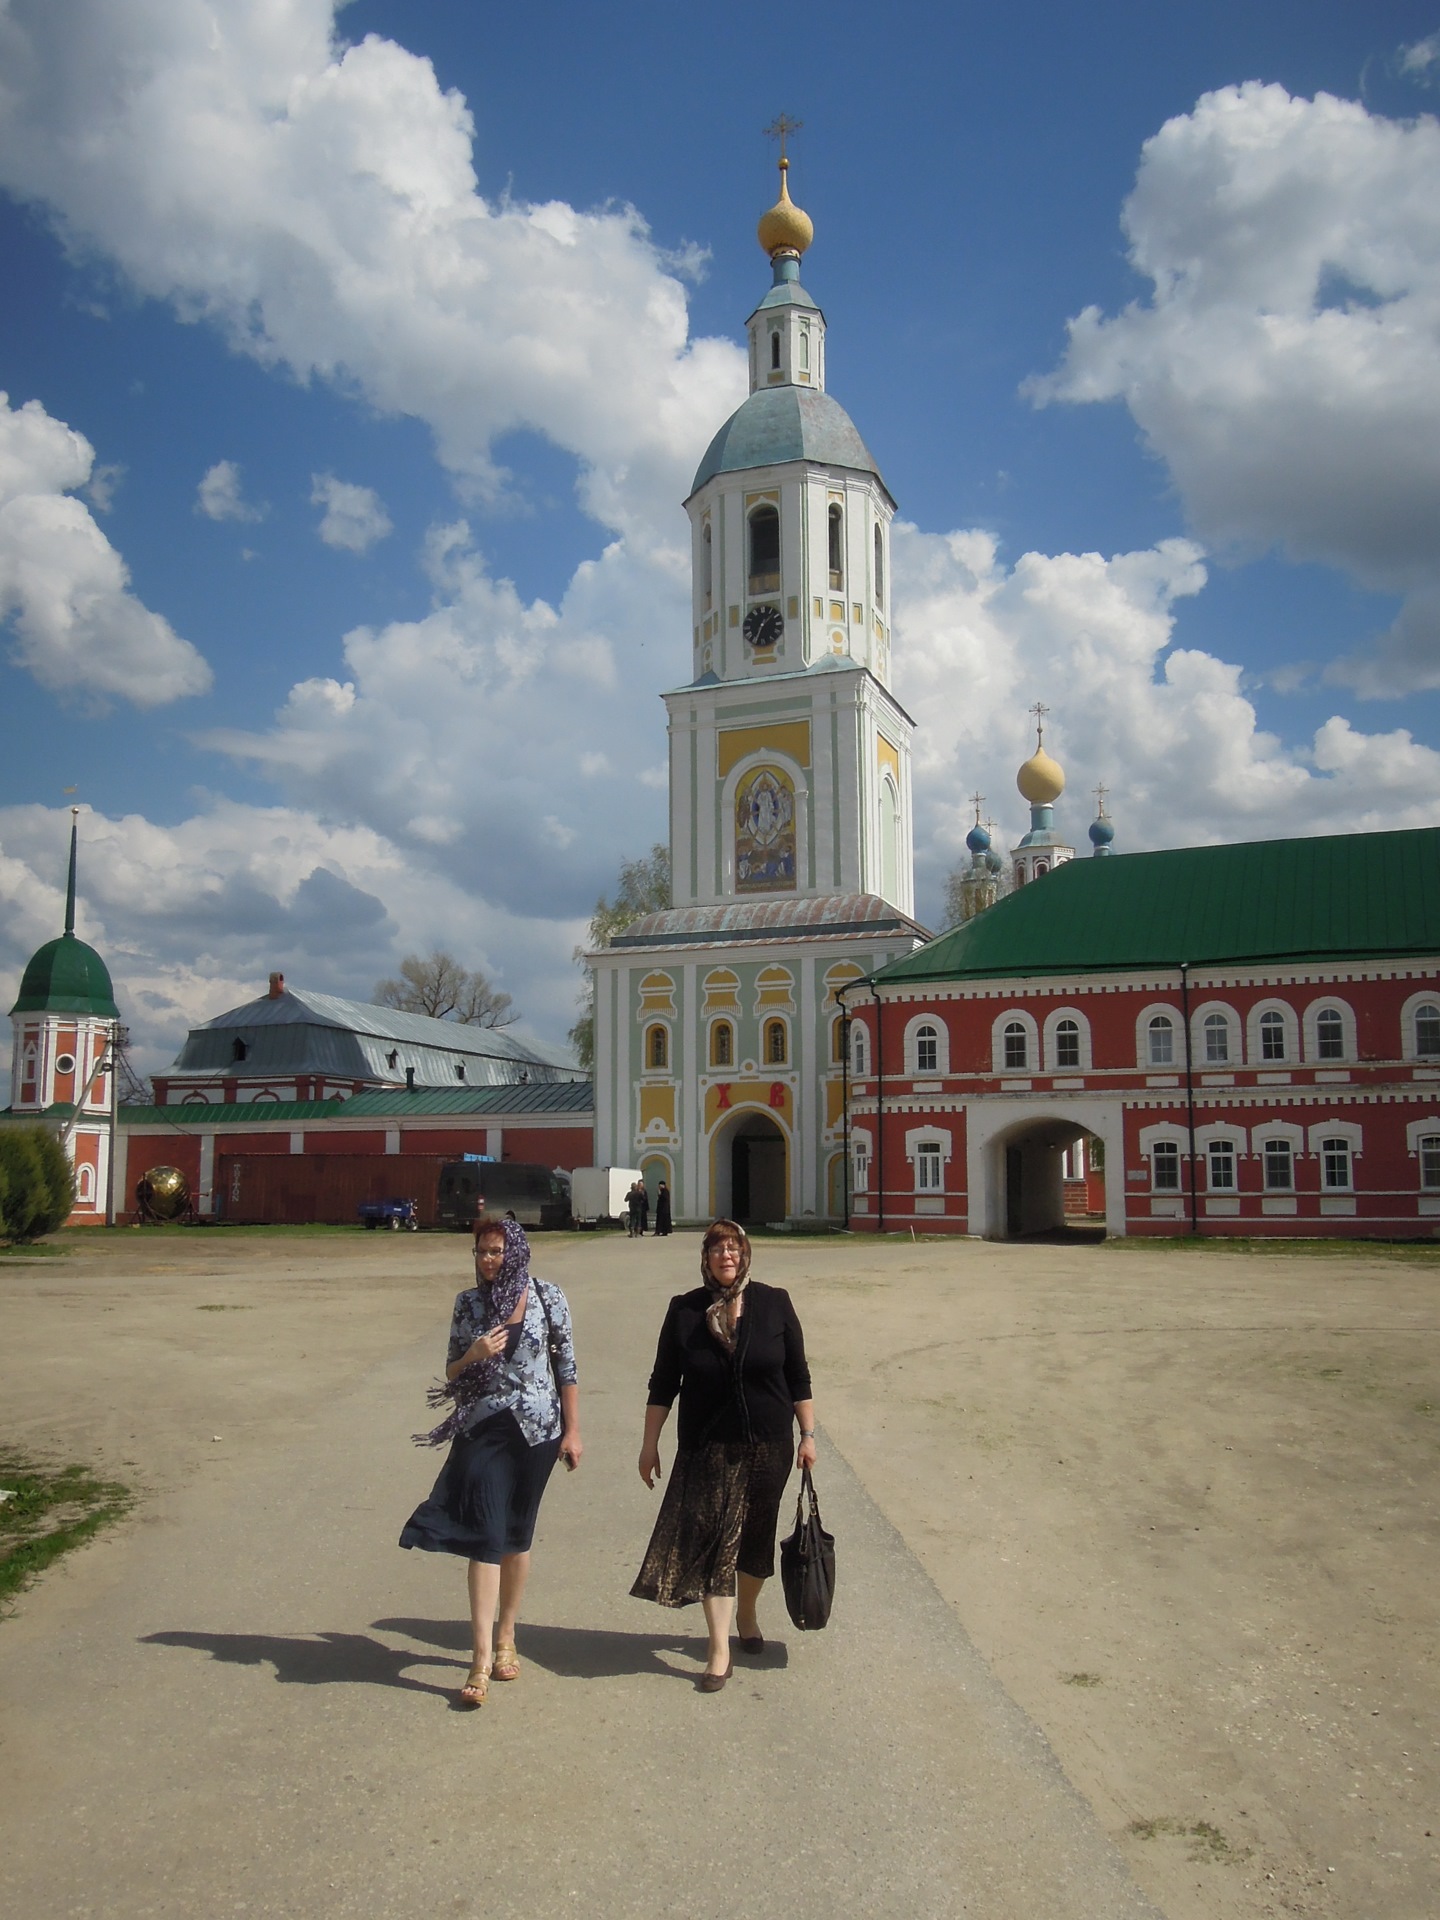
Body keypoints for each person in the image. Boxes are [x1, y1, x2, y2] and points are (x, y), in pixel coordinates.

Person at [400, 1214, 581, 1707]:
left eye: (496, 1251)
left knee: (516, 1537)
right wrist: (474, 1353)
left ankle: (507, 1638)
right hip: (483, 1429)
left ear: (515, 1251)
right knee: (486, 1536)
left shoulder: (548, 1297)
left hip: (538, 1433)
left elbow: (566, 1365)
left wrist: (573, 1431)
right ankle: (479, 1659)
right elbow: (452, 1373)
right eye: (480, 1251)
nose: (487, 1260)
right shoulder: (468, 1304)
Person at [631, 1219, 815, 1691]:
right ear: (705, 1257)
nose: (726, 1256)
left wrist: (809, 1435)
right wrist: (650, 1443)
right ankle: (718, 1649)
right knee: (716, 1544)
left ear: (745, 1253)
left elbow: (798, 1376)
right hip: (706, 1447)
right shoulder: (685, 1311)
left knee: (754, 1544)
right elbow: (662, 1383)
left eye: (733, 1247)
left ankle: (747, 1613)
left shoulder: (775, 1303)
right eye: (717, 1249)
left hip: (768, 1445)